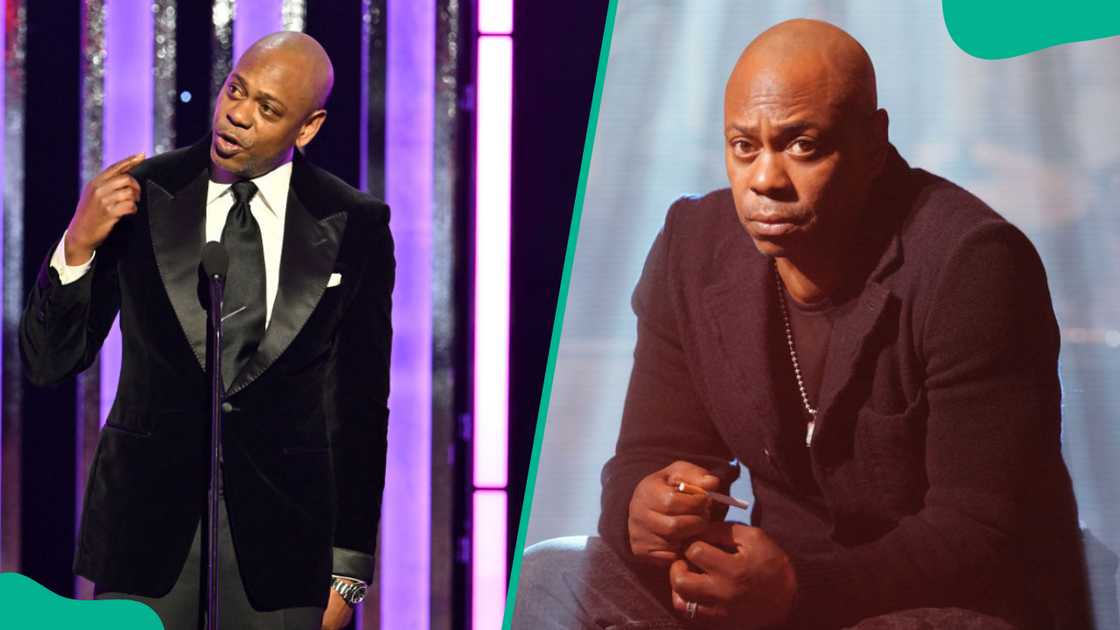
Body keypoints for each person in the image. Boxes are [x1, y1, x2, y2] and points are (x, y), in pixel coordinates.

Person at [513, 19, 1091, 630]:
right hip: (769, 598)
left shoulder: (972, 263)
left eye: (802, 145)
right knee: (547, 577)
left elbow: (979, 534)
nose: (765, 180)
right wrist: (644, 508)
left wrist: (796, 592)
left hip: (933, 603)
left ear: (874, 143)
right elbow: (648, 455)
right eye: (744, 147)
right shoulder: (693, 248)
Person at [19, 31, 393, 630]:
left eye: (267, 108)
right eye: (235, 90)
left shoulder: (355, 223)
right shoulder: (143, 195)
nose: (238, 114)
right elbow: (49, 362)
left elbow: (359, 404)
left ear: (307, 128)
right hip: (144, 543)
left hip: (285, 555)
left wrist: (348, 567)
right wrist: (77, 244)